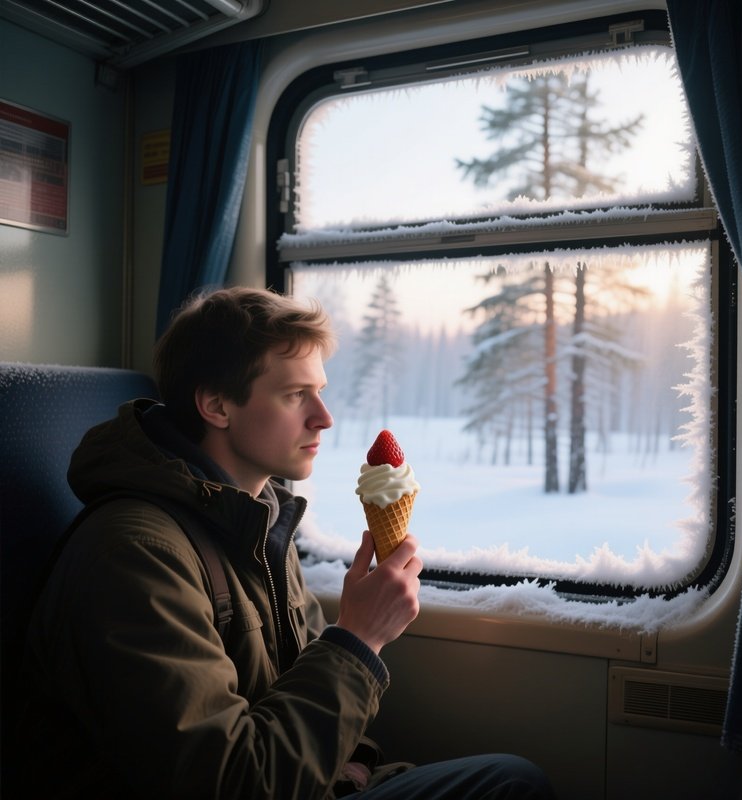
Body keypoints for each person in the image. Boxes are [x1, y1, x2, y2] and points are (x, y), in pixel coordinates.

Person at [19, 287, 554, 799]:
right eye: (296, 395)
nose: (324, 417)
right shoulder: (135, 554)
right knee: (514, 783)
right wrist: (359, 639)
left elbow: (296, 698)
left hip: (306, 779)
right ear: (217, 405)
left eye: (319, 391)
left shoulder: (261, 520)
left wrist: (355, 763)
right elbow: (231, 783)